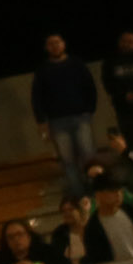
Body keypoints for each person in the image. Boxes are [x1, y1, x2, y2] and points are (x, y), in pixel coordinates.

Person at [29, 34, 99, 191]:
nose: (55, 46)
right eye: (51, 43)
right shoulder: (43, 70)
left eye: (57, 42)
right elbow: (37, 97)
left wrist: (90, 109)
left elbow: (89, 86)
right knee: (67, 159)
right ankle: (79, 193)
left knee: (88, 155)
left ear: (64, 44)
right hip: (57, 121)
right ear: (46, 48)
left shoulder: (76, 64)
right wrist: (41, 121)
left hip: (80, 117)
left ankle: (95, 188)